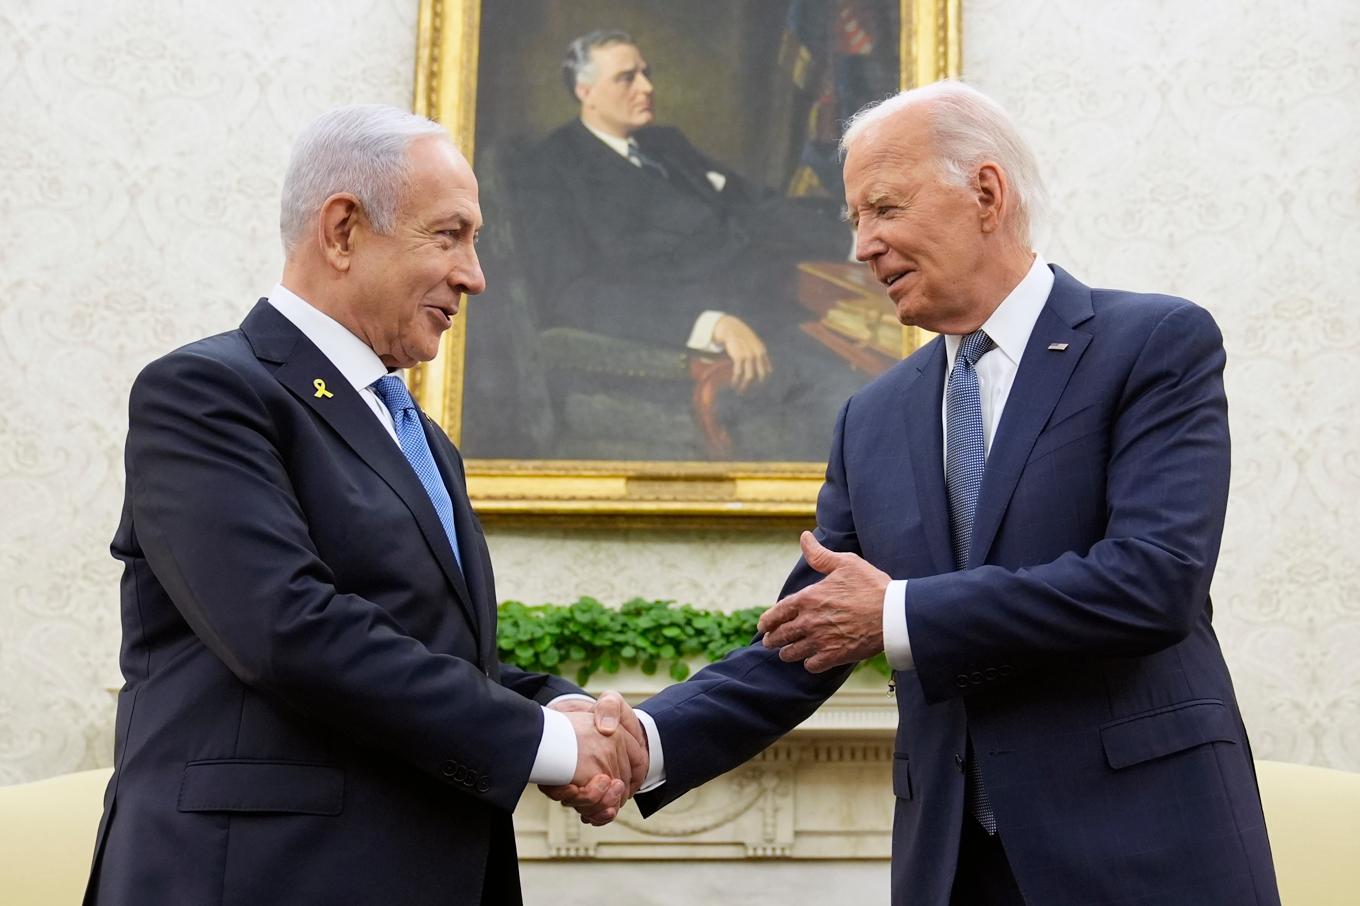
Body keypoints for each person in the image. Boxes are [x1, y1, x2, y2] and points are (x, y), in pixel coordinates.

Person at [575, 81, 1281, 904]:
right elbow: (809, 636)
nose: (864, 248)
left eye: (885, 209)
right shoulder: (869, 419)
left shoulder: (1153, 344)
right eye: (855, 222)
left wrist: (899, 614)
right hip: (953, 870)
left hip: (1144, 852)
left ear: (985, 192)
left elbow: (1153, 582)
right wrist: (647, 741)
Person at [84, 104, 644, 906]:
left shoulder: (422, 437)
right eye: (449, 236)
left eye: (475, 241)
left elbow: (430, 650)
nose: (474, 275)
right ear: (343, 230)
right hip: (258, 879)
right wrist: (547, 743)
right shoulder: (208, 392)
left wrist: (559, 703)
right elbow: (289, 628)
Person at [507, 29, 860, 460]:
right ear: (586, 91)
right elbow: (574, 293)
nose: (647, 88)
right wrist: (709, 323)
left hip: (770, 310)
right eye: (627, 78)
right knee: (851, 400)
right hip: (685, 348)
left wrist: (853, 240)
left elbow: (750, 206)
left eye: (646, 74)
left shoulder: (664, 144)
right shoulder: (551, 170)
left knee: (869, 371)